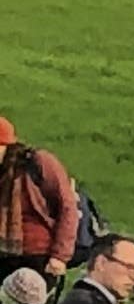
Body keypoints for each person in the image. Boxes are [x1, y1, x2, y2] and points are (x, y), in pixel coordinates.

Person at [0, 117, 89, 276]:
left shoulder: (38, 163)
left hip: (40, 257)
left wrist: (60, 256)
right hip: (4, 256)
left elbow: (67, 208)